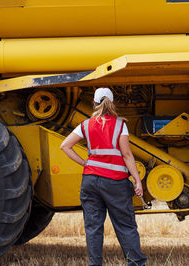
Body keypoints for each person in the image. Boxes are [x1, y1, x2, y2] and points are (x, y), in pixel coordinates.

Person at [60, 87, 147, 266]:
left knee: (93, 228)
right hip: (115, 182)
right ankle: (136, 264)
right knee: (125, 226)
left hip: (90, 181)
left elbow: (65, 146)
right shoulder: (120, 125)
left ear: (95, 103)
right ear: (112, 103)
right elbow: (127, 155)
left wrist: (85, 163)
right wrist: (137, 180)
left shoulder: (85, 124)